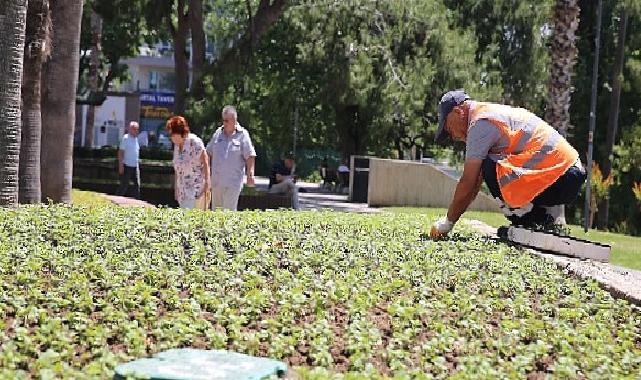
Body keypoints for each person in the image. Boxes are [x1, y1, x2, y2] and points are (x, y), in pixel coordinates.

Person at [430, 89, 587, 238]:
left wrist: (447, 223)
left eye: (449, 129)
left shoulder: (480, 123)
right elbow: (474, 183)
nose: (452, 136)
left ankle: (531, 220)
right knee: (489, 166)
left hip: (563, 176)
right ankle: (537, 218)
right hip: (569, 173)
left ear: (458, 112)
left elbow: (469, 181)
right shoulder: (488, 113)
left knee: (491, 166)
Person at [206, 105, 257, 210]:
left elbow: (250, 156)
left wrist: (250, 174)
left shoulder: (243, 135)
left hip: (232, 183)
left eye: (227, 120)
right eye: (223, 120)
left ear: (234, 120)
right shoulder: (218, 133)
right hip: (216, 183)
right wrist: (206, 174)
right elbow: (208, 153)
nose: (224, 123)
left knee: (228, 213)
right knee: (216, 214)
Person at [167, 116, 211, 209]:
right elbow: (177, 169)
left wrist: (207, 182)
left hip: (196, 188)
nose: (171, 137)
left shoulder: (194, 142)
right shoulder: (177, 146)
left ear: (180, 133)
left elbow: (205, 160)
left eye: (173, 134)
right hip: (183, 190)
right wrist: (176, 188)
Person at [116, 121, 141, 198]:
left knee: (137, 184)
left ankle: (137, 201)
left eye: (137, 129)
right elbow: (120, 152)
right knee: (124, 185)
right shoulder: (126, 138)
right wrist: (121, 166)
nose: (136, 131)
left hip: (135, 166)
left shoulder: (136, 139)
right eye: (134, 129)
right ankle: (117, 199)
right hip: (127, 165)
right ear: (130, 129)